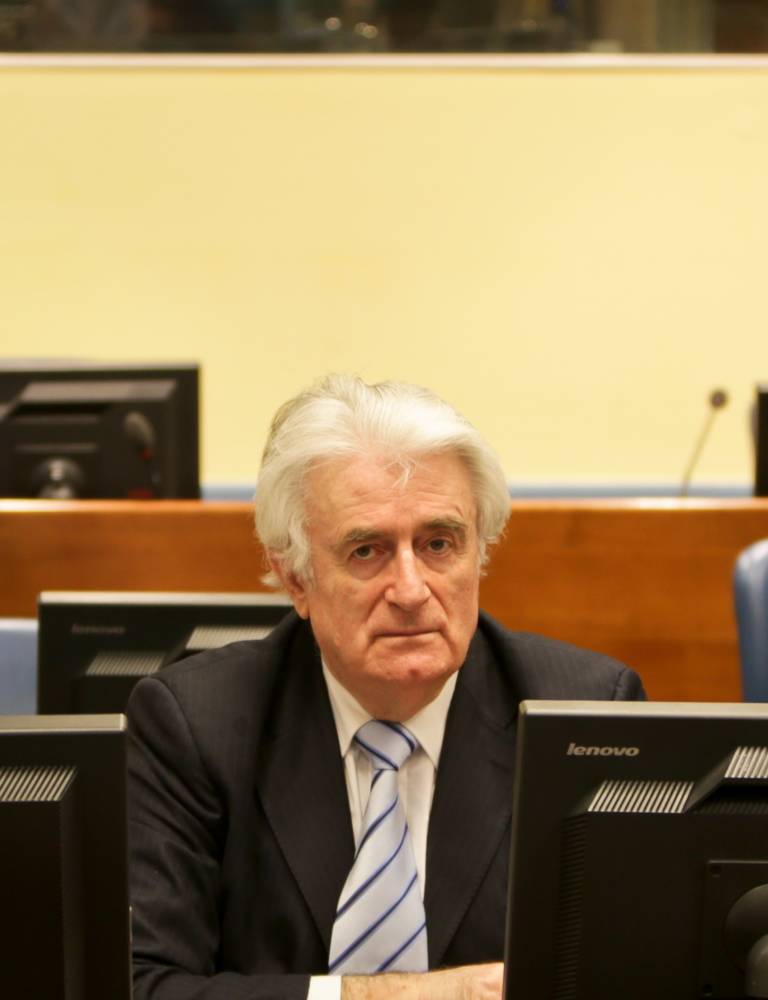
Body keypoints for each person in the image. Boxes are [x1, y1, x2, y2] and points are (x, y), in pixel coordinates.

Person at [127, 374, 645, 999]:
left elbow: (630, 975)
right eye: (367, 551)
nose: (409, 589)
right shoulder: (193, 724)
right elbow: (145, 986)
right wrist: (391, 997)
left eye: (438, 544)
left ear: (478, 552)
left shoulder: (585, 712)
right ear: (296, 578)